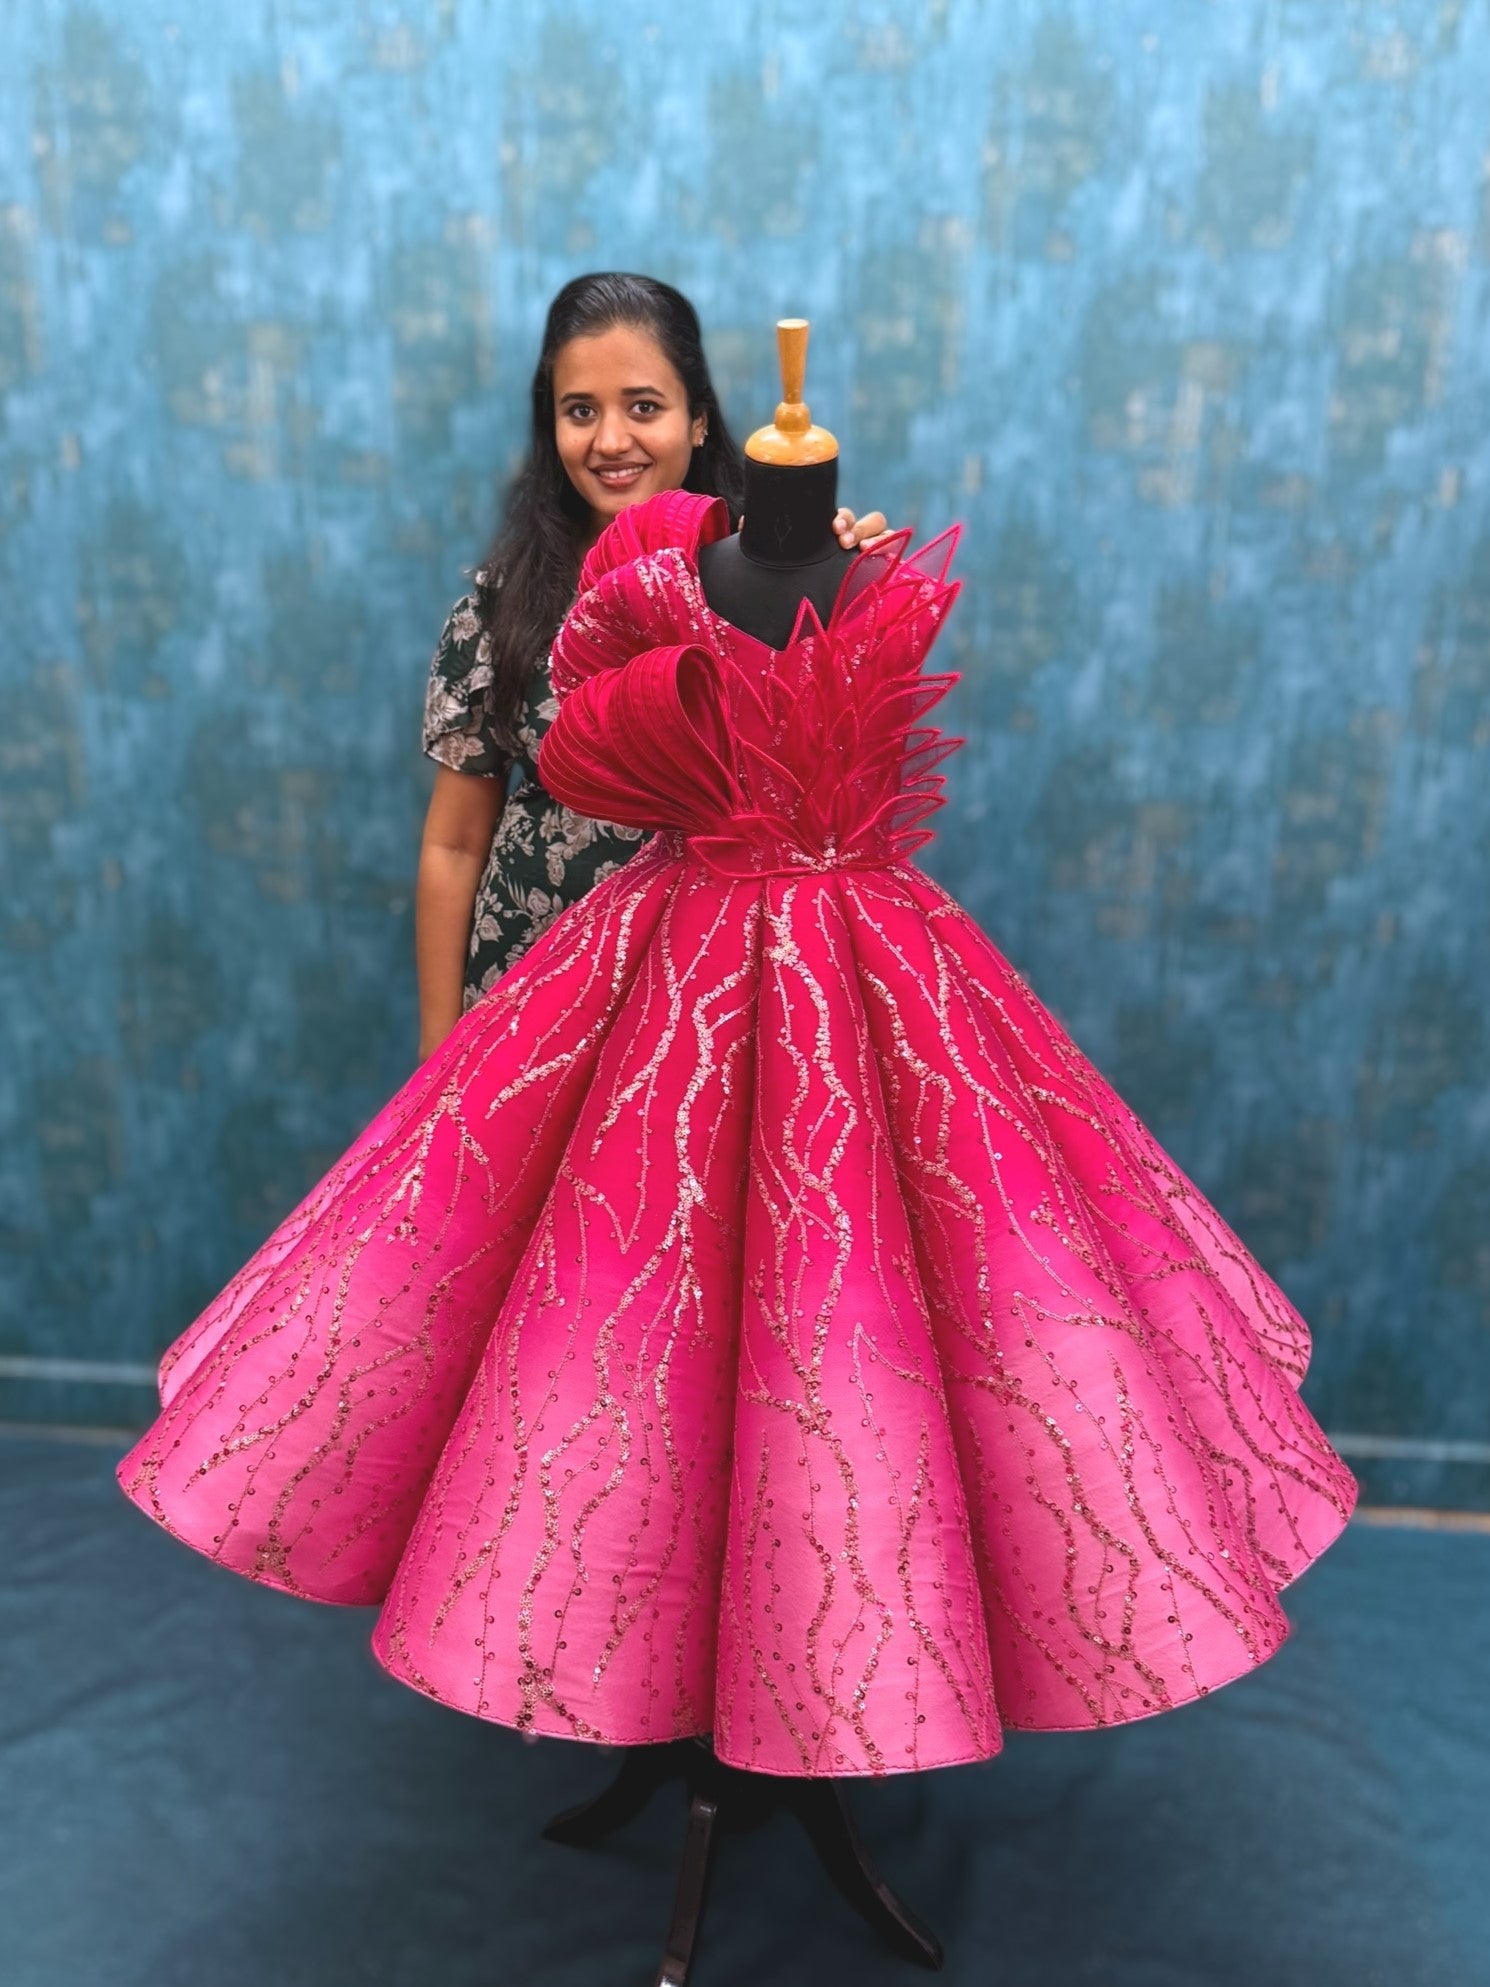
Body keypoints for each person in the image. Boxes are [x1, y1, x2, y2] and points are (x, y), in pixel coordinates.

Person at [119, 477, 1355, 1779]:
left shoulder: (873, 574)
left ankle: (821, 1662)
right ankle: (665, 1653)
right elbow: (591, 749)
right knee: (630, 1330)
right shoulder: (665, 576)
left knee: (874, 1331)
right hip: (665, 968)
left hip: (875, 975)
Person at [414, 272, 888, 1058]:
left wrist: (844, 590)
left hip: (715, 1013)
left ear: (698, 420)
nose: (609, 441)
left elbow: (838, 813)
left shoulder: (778, 587)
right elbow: (454, 844)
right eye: (579, 411)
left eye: (643, 406)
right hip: (528, 1004)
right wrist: (437, 1063)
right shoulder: (501, 612)